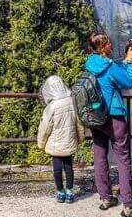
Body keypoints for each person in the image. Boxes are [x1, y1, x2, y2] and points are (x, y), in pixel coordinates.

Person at [85, 32, 132, 217]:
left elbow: (112, 70)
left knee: (100, 157)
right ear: (102, 48)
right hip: (113, 117)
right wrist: (131, 62)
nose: (111, 45)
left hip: (96, 117)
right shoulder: (108, 67)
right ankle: (129, 206)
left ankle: (106, 198)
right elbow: (128, 81)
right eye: (108, 43)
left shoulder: (90, 64)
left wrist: (123, 61)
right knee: (123, 160)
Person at [37, 75, 85, 205]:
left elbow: (45, 127)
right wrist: (80, 138)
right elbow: (79, 123)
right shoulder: (71, 101)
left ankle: (60, 192)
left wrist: (41, 143)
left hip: (56, 144)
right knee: (69, 167)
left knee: (57, 169)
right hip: (69, 140)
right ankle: (70, 191)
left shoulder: (51, 106)